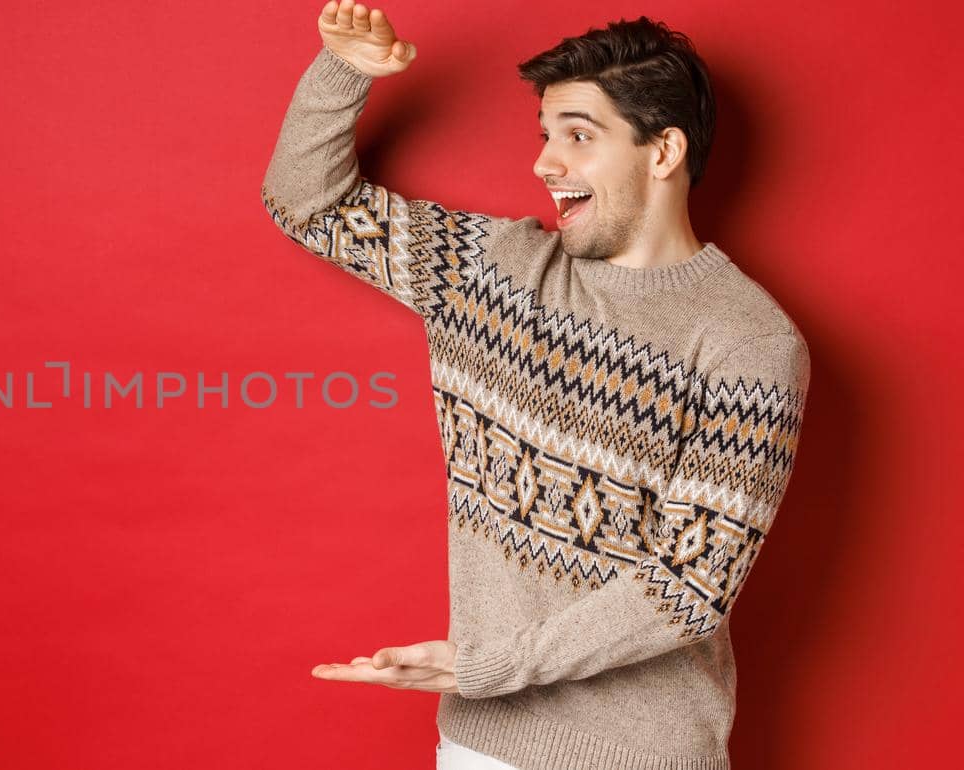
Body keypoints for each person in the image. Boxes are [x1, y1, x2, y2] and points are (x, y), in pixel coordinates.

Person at [260, 3, 812, 768]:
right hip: (480, 745)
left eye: (579, 136)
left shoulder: (748, 341)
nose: (545, 163)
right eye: (546, 136)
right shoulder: (488, 274)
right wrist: (345, 71)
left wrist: (491, 668)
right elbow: (308, 204)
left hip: (639, 757)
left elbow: (690, 585)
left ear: (663, 151)